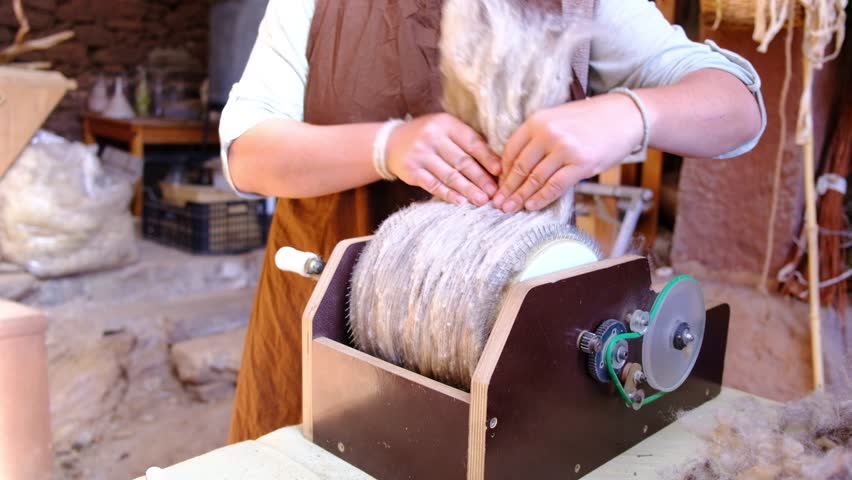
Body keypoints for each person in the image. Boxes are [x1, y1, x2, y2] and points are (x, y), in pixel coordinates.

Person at [219, 0, 766, 443]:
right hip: (332, 324)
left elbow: (737, 108)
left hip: (505, 337)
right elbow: (246, 154)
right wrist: (385, 146)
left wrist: (631, 115)